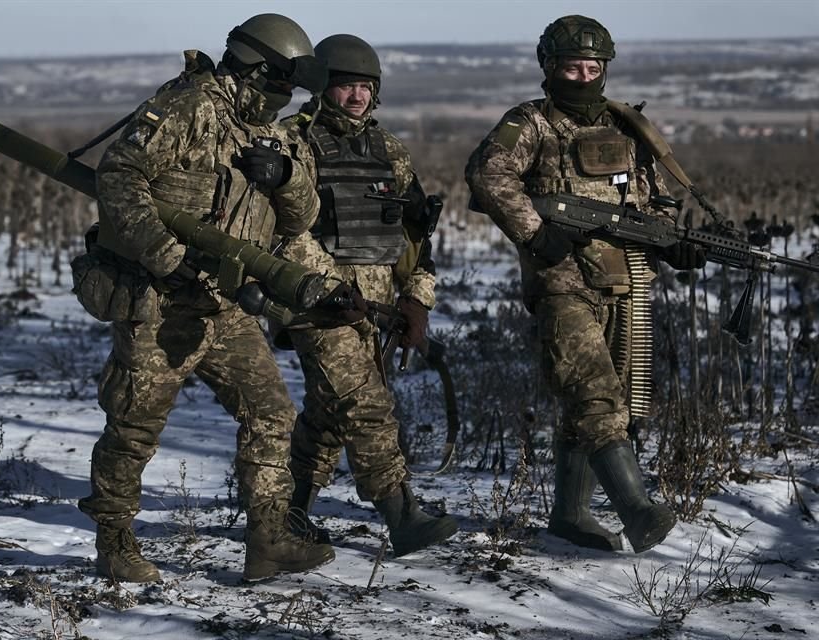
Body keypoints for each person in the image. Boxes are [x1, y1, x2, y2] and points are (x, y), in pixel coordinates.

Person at [76, 13, 335, 582]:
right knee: (134, 427)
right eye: (280, 84)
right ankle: (115, 542)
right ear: (255, 68)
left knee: (272, 415)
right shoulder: (188, 108)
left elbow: (301, 219)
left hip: (225, 306)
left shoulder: (264, 128)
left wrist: (285, 176)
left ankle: (268, 539)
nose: (283, 98)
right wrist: (168, 255)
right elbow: (119, 177)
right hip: (160, 303)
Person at [465, 15, 706, 553]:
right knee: (596, 398)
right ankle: (638, 511)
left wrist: (675, 243)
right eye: (571, 66)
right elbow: (487, 174)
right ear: (549, 67)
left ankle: (570, 518)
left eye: (592, 66)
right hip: (562, 282)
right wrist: (534, 233)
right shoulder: (532, 123)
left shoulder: (626, 128)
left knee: (606, 401)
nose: (582, 75)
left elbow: (653, 202)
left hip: (625, 279)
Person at [277, 34, 458, 557]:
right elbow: (288, 232)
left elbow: (415, 239)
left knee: (330, 414)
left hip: (376, 309)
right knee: (366, 406)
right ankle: (402, 515)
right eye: (344, 86)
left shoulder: (389, 149)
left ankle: (286, 509)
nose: (356, 97)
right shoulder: (293, 142)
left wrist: (416, 300)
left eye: (364, 87)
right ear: (320, 88)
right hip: (317, 303)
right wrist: (329, 286)